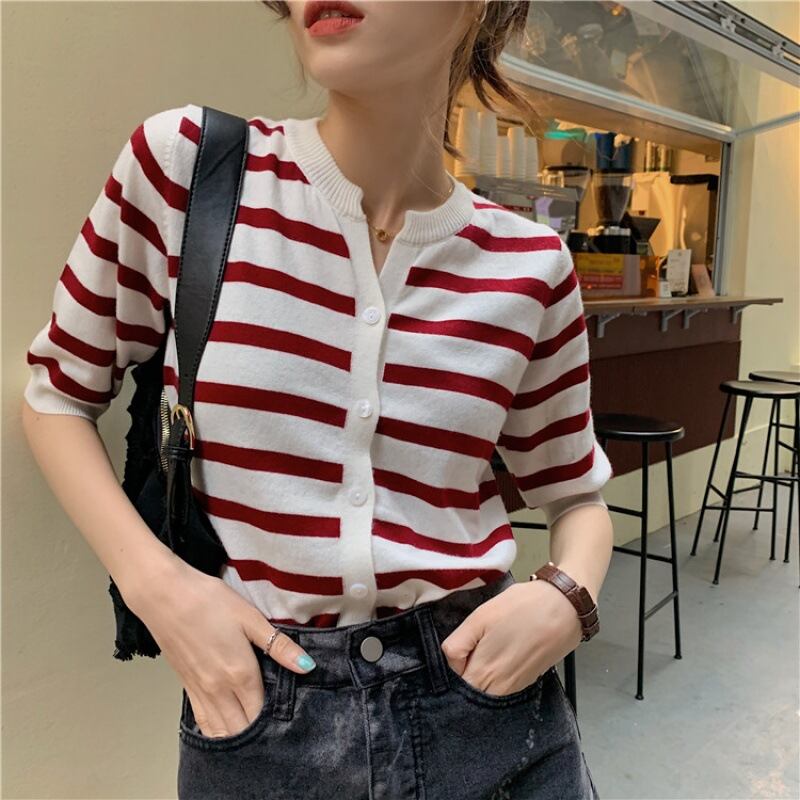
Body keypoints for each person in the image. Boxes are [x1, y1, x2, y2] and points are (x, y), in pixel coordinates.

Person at [21, 1, 614, 797]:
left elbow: (575, 493)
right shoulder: (190, 171)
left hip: (487, 708)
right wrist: (157, 587)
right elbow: (56, 394)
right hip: (261, 717)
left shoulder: (530, 264)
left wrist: (567, 599)